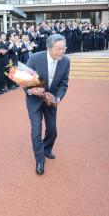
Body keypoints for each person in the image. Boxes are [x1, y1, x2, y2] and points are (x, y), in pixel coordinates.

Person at [25, 34, 70, 175]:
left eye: (63, 49)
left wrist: (58, 98)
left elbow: (64, 83)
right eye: (58, 49)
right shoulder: (34, 58)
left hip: (51, 100)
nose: (61, 52)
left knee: (52, 130)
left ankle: (47, 148)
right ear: (48, 48)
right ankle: (40, 160)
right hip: (34, 100)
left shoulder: (66, 61)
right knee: (36, 130)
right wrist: (31, 90)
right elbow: (25, 79)